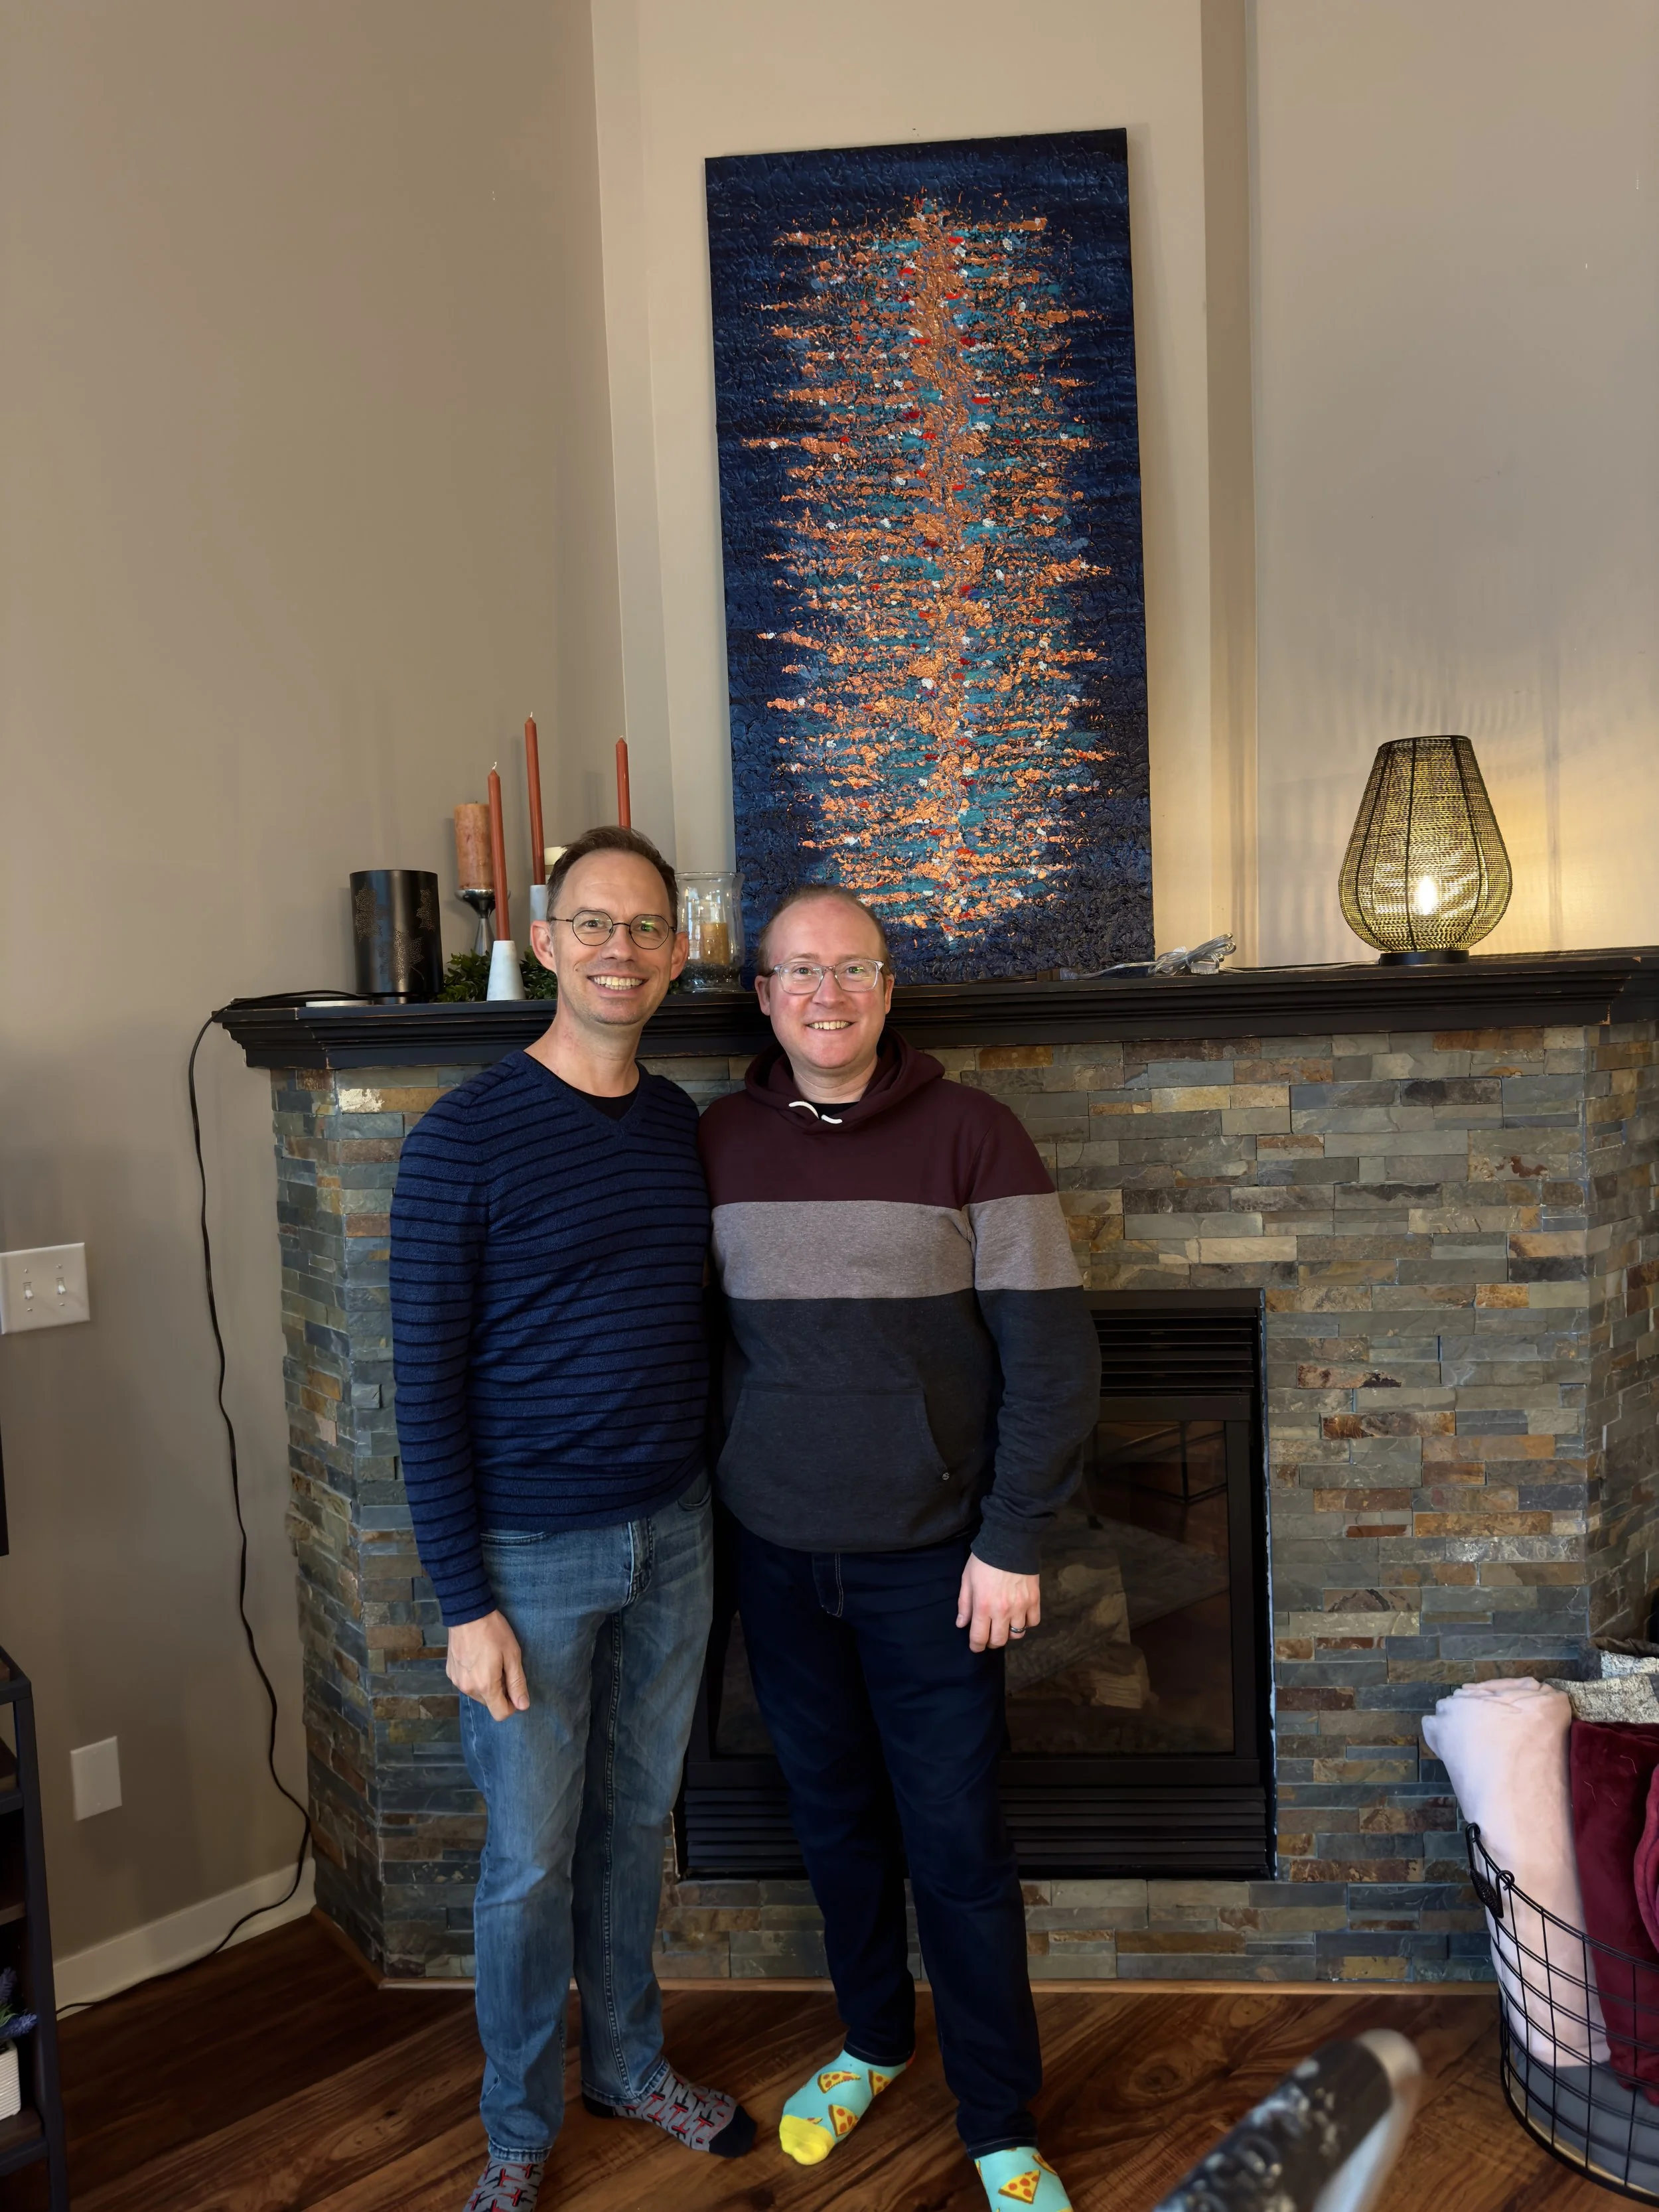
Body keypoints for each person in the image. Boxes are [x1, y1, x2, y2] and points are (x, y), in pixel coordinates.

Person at [697, 884, 1100, 2212]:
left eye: (852, 968)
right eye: (798, 972)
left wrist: (1011, 1538)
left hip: (938, 1565)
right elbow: (696, 1347)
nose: (825, 993)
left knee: (955, 1844)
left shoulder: (973, 1134)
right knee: (834, 1826)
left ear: (887, 988)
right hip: (776, 1559)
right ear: (761, 995)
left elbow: (1053, 1353)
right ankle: (872, 2037)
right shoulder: (712, 1143)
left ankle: (996, 2118)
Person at [390, 826, 755, 2212]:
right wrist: (461, 1602)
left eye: (646, 927)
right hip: (525, 1564)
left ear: (676, 952)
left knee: (630, 1825)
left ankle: (629, 2064)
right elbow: (421, 1391)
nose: (620, 948)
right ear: (544, 943)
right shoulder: (460, 1139)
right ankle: (516, 2129)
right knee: (529, 1858)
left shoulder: (677, 1125)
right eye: (592, 923)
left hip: (672, 1534)